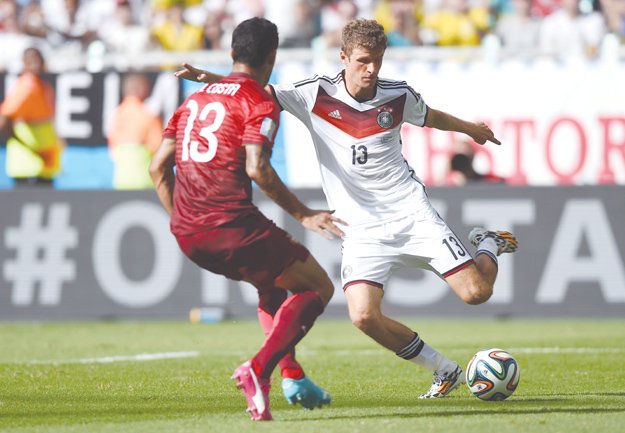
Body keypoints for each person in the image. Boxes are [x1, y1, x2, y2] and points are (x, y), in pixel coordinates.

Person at [176, 18, 518, 400]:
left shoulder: (398, 95)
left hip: (410, 213)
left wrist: (470, 129)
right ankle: (443, 370)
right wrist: (208, 77)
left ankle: (488, 243)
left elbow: (432, 117)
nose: (371, 69)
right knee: (363, 317)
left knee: (476, 293)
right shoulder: (313, 94)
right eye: (363, 60)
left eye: (378, 60)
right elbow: (250, 90)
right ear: (343, 57)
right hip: (359, 228)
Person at [149, 17, 344, 421]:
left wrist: (180, 219)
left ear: (232, 52)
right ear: (272, 57)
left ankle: (293, 376)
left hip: (187, 233)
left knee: (270, 289)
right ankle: (258, 370)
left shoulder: (194, 100)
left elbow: (156, 167)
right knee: (318, 287)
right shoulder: (259, 101)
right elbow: (258, 168)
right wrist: (303, 214)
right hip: (231, 226)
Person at [0, 46, 63, 187]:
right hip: (29, 165)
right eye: (30, 60)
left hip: (43, 164)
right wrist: (32, 150)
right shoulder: (26, 86)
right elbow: (3, 121)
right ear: (23, 64)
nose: (35, 64)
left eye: (38, 59)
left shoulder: (43, 87)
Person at [107, 72, 162, 190]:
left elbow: (112, 151)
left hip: (121, 180)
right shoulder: (148, 114)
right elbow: (159, 149)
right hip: (146, 180)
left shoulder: (115, 114)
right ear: (141, 88)